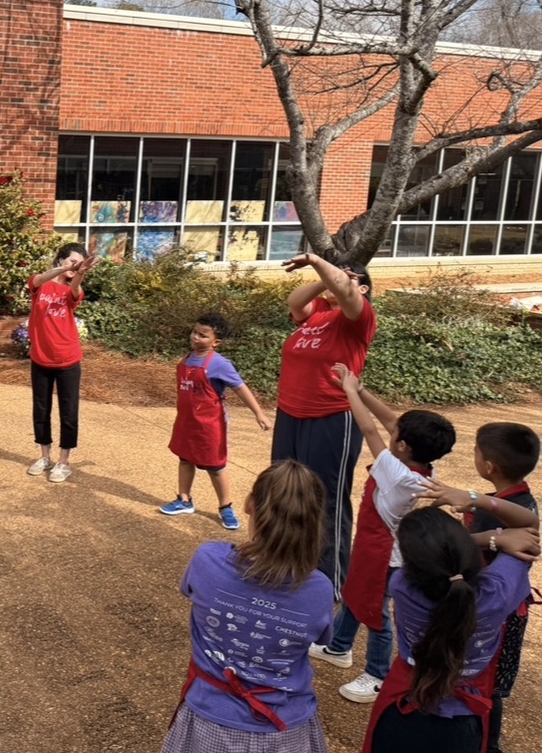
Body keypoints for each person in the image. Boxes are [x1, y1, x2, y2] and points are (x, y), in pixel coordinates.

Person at [308, 364, 456, 706]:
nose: (392, 429)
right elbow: (391, 423)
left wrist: (349, 393)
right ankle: (338, 646)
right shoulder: (420, 463)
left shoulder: (397, 473)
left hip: (386, 554)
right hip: (375, 544)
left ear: (401, 446)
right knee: (355, 592)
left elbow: (368, 429)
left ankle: (376, 674)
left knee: (376, 610)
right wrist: (360, 389)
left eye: (397, 435)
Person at [161, 461, 334, 753]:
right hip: (286, 727)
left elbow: (189, 590)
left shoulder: (207, 560)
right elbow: (322, 637)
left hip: (210, 717)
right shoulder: (319, 589)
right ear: (314, 521)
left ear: (249, 504)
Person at [362, 504, 539, 753]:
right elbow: (529, 526)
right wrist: (480, 513)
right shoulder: (498, 593)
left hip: (402, 707)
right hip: (462, 723)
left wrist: (484, 539)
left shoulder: (401, 586)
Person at [272, 253, 377, 595]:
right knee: (283, 491)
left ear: (363, 288)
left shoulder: (358, 317)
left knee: (325, 499)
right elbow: (294, 302)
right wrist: (322, 278)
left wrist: (317, 261)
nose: (338, 278)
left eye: (348, 275)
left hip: (331, 416)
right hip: (290, 413)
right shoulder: (317, 313)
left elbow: (346, 291)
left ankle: (329, 581)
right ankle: (284, 565)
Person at [461, 423, 539, 753]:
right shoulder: (524, 502)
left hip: (494, 612)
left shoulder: (496, 516)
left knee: (486, 684)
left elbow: (467, 550)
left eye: (476, 452)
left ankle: (488, 746)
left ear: (489, 466)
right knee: (491, 685)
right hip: (511, 606)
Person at [161, 312, 271, 529]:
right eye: (194, 332)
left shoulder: (220, 364)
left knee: (216, 466)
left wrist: (259, 413)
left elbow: (240, 387)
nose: (195, 337)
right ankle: (184, 500)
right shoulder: (187, 359)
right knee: (185, 459)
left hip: (210, 425)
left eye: (203, 335)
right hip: (186, 421)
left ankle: (225, 506)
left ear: (216, 342)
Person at [25, 242, 98, 483]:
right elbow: (39, 279)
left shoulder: (72, 290)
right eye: (72, 261)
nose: (75, 266)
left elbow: (75, 288)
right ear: (60, 260)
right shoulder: (41, 284)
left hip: (67, 360)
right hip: (40, 359)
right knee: (41, 410)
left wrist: (79, 273)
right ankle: (44, 456)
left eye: (79, 263)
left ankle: (64, 461)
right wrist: (66, 269)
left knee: (68, 413)